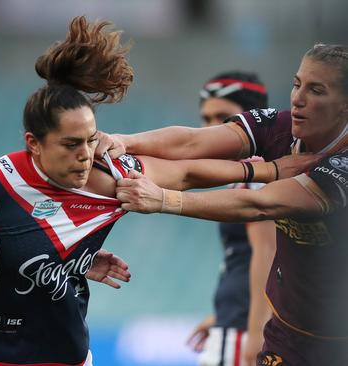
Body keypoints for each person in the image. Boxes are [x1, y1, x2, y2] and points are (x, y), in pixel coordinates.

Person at [0, 16, 315, 366]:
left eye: (91, 140)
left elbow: (185, 172)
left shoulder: (111, 176)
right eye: (71, 145)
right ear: (33, 143)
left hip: (71, 357)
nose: (85, 154)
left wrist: (268, 170)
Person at [113, 44, 348, 365]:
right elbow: (192, 144)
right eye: (296, 84)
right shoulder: (279, 129)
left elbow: (260, 205)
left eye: (316, 90)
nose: (298, 98)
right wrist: (122, 141)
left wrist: (164, 200)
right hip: (288, 332)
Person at [187, 71, 276, 366]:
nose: (211, 129)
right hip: (234, 322)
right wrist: (219, 316)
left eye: (223, 118)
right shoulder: (247, 174)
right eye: (206, 118)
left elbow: (268, 251)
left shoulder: (257, 174)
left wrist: (255, 335)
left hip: (242, 332)